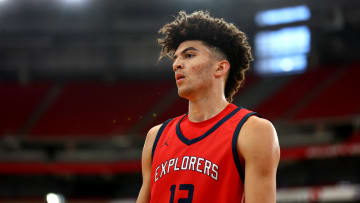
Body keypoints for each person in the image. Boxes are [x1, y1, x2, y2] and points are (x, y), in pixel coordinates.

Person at [136, 10, 280, 203]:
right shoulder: (156, 137)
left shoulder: (253, 131)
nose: (177, 64)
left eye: (189, 55)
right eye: (176, 58)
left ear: (220, 68)